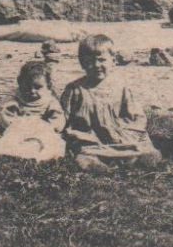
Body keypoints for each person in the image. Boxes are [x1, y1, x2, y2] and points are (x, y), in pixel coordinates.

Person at [60, 34, 161, 170]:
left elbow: (137, 117)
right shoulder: (75, 89)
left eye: (102, 60)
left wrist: (124, 131)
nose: (96, 65)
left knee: (146, 152)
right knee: (84, 156)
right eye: (90, 61)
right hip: (90, 140)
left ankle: (131, 160)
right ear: (82, 63)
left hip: (120, 137)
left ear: (113, 61)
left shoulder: (121, 88)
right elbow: (63, 117)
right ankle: (97, 164)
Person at [0, 60, 67, 162]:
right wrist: (16, 125)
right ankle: (18, 153)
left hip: (42, 132)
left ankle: (38, 155)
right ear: (20, 83)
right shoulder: (17, 99)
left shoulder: (49, 100)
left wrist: (49, 127)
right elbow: (7, 116)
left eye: (38, 87)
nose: (32, 91)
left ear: (48, 86)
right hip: (20, 131)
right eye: (28, 87)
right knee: (10, 141)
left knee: (51, 143)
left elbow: (57, 118)